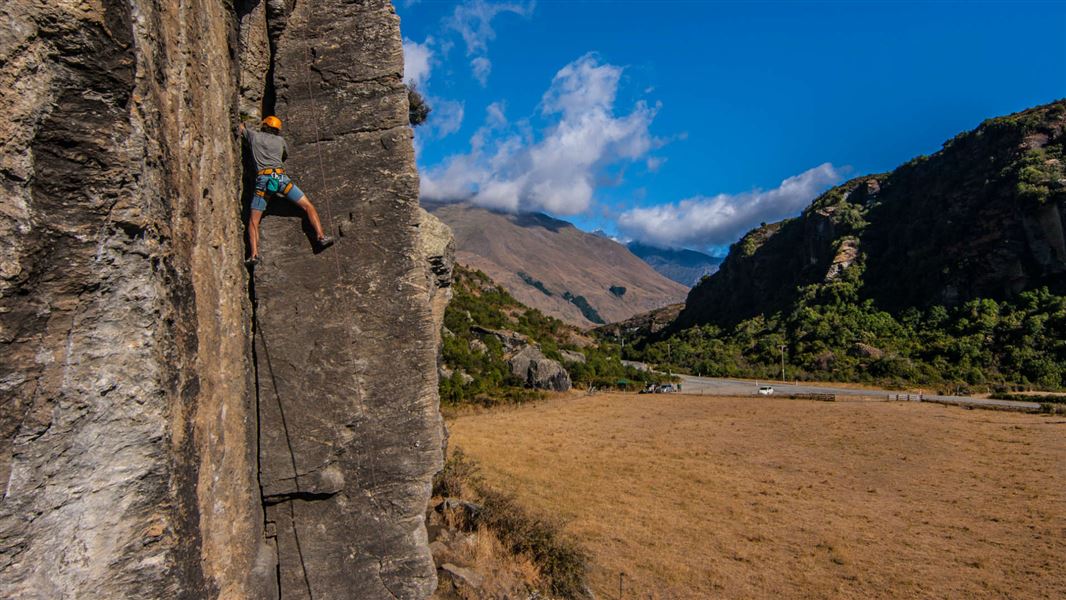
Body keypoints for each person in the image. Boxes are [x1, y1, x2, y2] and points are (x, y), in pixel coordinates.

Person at [240, 115, 334, 267]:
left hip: (264, 181)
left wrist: (243, 123)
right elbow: (285, 155)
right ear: (277, 129)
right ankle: (321, 236)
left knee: (253, 221)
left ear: (264, 126)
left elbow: (241, 129)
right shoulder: (280, 141)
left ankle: (254, 255)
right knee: (308, 206)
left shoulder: (254, 136)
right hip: (281, 179)